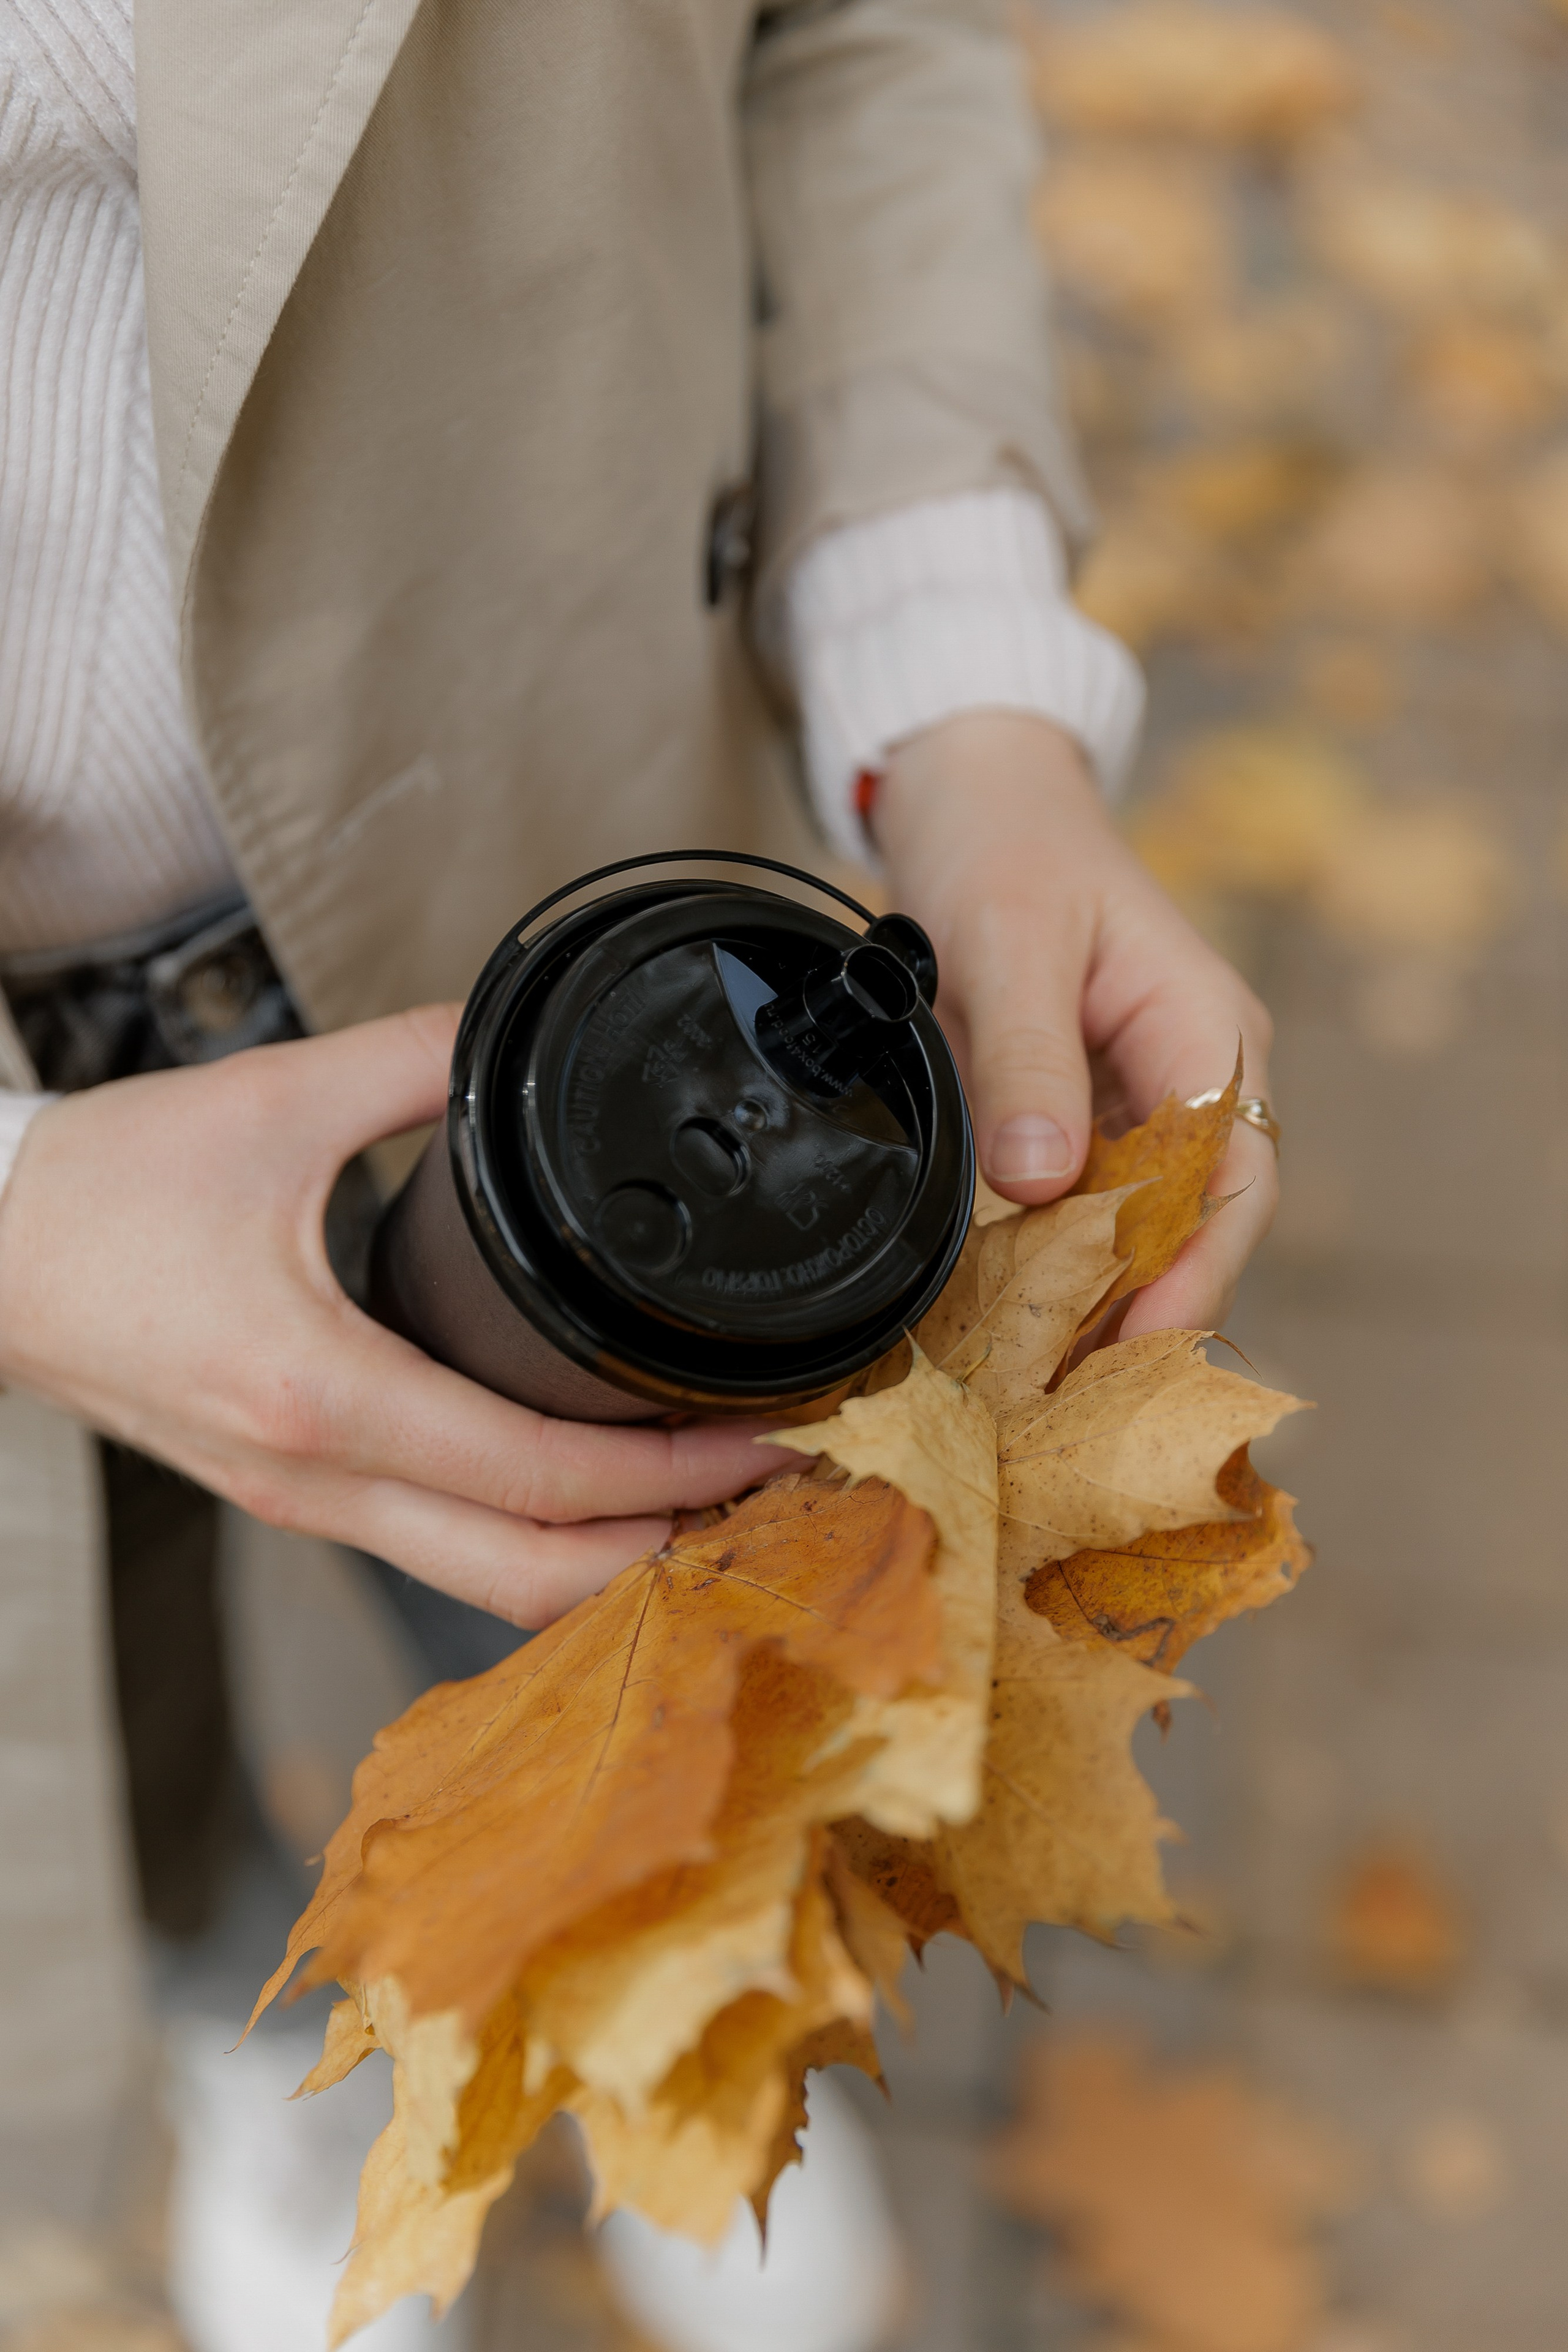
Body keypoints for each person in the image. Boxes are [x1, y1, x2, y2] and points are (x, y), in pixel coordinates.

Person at [0, 0, 1276, 2342]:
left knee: (636, 1606)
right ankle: (271, 2061)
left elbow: (853, 32)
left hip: (546, 836)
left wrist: (956, 678)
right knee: (81, 1721)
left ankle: (677, 2023)